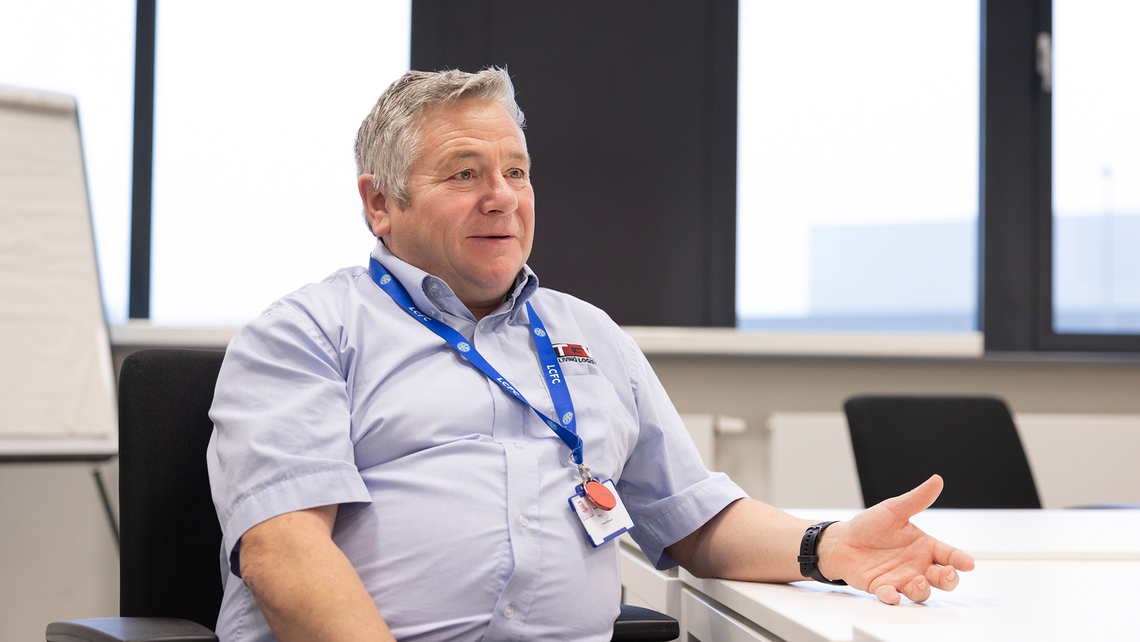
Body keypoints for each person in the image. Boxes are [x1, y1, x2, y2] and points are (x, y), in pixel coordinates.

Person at [206, 68, 975, 642]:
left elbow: (691, 520)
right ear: (380, 203)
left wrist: (826, 545)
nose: (501, 196)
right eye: (465, 173)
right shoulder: (306, 333)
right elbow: (283, 553)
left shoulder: (590, 336)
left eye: (516, 172)